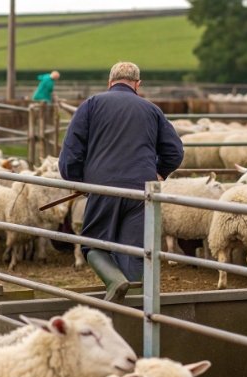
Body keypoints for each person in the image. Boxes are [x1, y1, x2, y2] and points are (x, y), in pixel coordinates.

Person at [58, 62, 183, 301]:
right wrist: (160, 173)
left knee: (92, 244)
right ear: (138, 84)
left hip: (103, 187)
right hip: (141, 192)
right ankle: (139, 310)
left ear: (109, 82)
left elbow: (72, 152)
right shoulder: (151, 109)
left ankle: (115, 281)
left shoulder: (91, 105)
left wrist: (77, 180)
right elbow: (174, 151)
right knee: (135, 251)